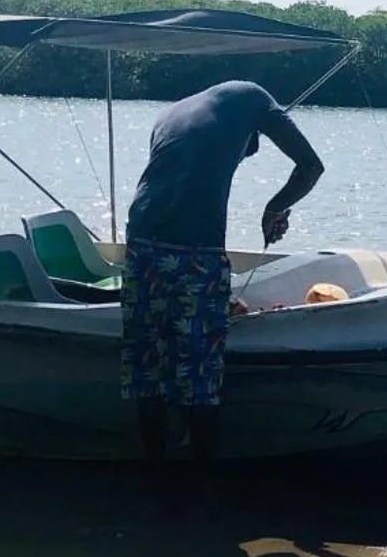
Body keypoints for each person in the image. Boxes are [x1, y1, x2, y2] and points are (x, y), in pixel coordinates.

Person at [120, 80, 323, 462]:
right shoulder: (256, 97)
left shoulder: (172, 113)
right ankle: (202, 489)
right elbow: (311, 166)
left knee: (148, 372)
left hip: (141, 247)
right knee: (199, 379)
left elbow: (178, 184)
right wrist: (275, 207)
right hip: (195, 253)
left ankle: (153, 478)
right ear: (253, 136)